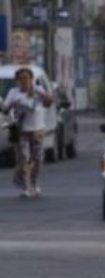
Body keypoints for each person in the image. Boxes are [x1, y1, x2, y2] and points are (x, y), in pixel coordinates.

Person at [2, 67, 53, 198]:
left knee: (38, 159)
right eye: (21, 79)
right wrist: (12, 104)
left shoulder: (38, 90)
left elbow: (48, 103)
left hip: (37, 130)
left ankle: (34, 183)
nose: (24, 81)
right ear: (17, 81)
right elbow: (5, 109)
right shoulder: (13, 92)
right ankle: (26, 187)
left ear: (31, 79)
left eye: (27, 78)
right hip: (21, 131)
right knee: (23, 158)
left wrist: (44, 95)